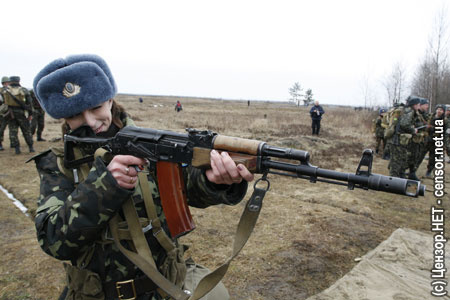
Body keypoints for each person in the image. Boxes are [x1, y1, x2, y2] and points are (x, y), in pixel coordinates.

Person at [30, 54, 254, 300]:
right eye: (75, 115)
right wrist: (104, 186)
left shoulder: (149, 142)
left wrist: (213, 181)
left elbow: (187, 190)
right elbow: (53, 240)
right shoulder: (58, 162)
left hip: (168, 282)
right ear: (62, 117)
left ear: (110, 100)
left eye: (96, 108)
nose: (91, 122)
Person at [389, 96, 421, 179]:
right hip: (398, 140)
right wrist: (413, 130)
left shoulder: (406, 111)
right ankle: (394, 180)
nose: (419, 106)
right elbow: (404, 124)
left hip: (401, 140)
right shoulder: (409, 112)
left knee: (402, 159)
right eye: (418, 104)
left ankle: (400, 177)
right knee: (397, 161)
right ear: (414, 105)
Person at [0, 75, 34, 154]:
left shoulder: (5, 91)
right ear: (19, 81)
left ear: (10, 81)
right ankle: (31, 147)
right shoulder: (24, 90)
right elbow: (29, 104)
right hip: (22, 113)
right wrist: (30, 114)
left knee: (13, 131)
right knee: (26, 130)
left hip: (11, 113)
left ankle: (17, 149)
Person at [423, 104, 446, 177]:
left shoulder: (444, 121)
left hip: (436, 142)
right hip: (427, 139)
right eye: (438, 109)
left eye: (441, 110)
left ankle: (429, 171)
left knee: (433, 158)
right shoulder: (430, 117)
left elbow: (444, 132)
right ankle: (413, 170)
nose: (439, 111)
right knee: (420, 155)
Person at [0, 76, 11, 151]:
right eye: (6, 82)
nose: (7, 84)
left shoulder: (11, 90)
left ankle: (13, 142)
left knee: (13, 128)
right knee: (1, 129)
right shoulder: (1, 91)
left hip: (11, 112)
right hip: (3, 113)